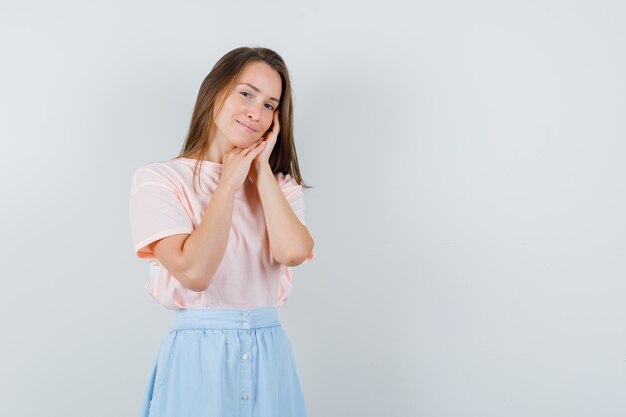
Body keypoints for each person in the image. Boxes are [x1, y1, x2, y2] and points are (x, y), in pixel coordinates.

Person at [128, 46, 315, 417]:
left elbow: (292, 252)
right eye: (246, 93)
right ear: (215, 92)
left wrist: (259, 172)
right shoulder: (159, 180)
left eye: (269, 105)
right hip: (198, 356)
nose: (256, 112)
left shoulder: (279, 187)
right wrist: (227, 184)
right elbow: (195, 272)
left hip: (270, 353)